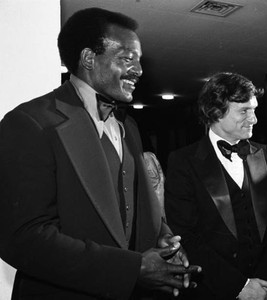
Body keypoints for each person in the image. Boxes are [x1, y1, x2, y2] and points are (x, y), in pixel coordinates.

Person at [0, 7, 200, 299]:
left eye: (139, 60)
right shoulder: (31, 122)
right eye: (126, 58)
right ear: (88, 59)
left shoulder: (128, 126)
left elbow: (134, 205)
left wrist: (163, 236)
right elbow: (22, 239)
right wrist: (131, 269)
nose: (140, 70)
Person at [164, 72, 267, 300]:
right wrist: (241, 287)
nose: (254, 119)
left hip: (266, 286)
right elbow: (187, 237)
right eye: (244, 111)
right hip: (213, 289)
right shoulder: (183, 162)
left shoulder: (265, 154)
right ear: (215, 112)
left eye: (254, 110)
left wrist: (264, 283)